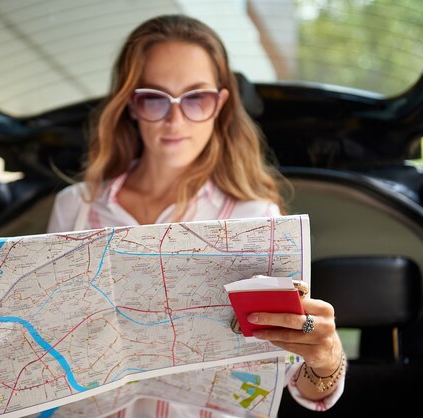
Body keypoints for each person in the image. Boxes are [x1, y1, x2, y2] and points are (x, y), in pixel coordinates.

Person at [47, 14, 345, 416]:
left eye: (196, 98)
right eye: (154, 97)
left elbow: (292, 382)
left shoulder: (256, 218)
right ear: (130, 104)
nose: (175, 119)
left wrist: (326, 360)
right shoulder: (75, 207)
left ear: (220, 104)